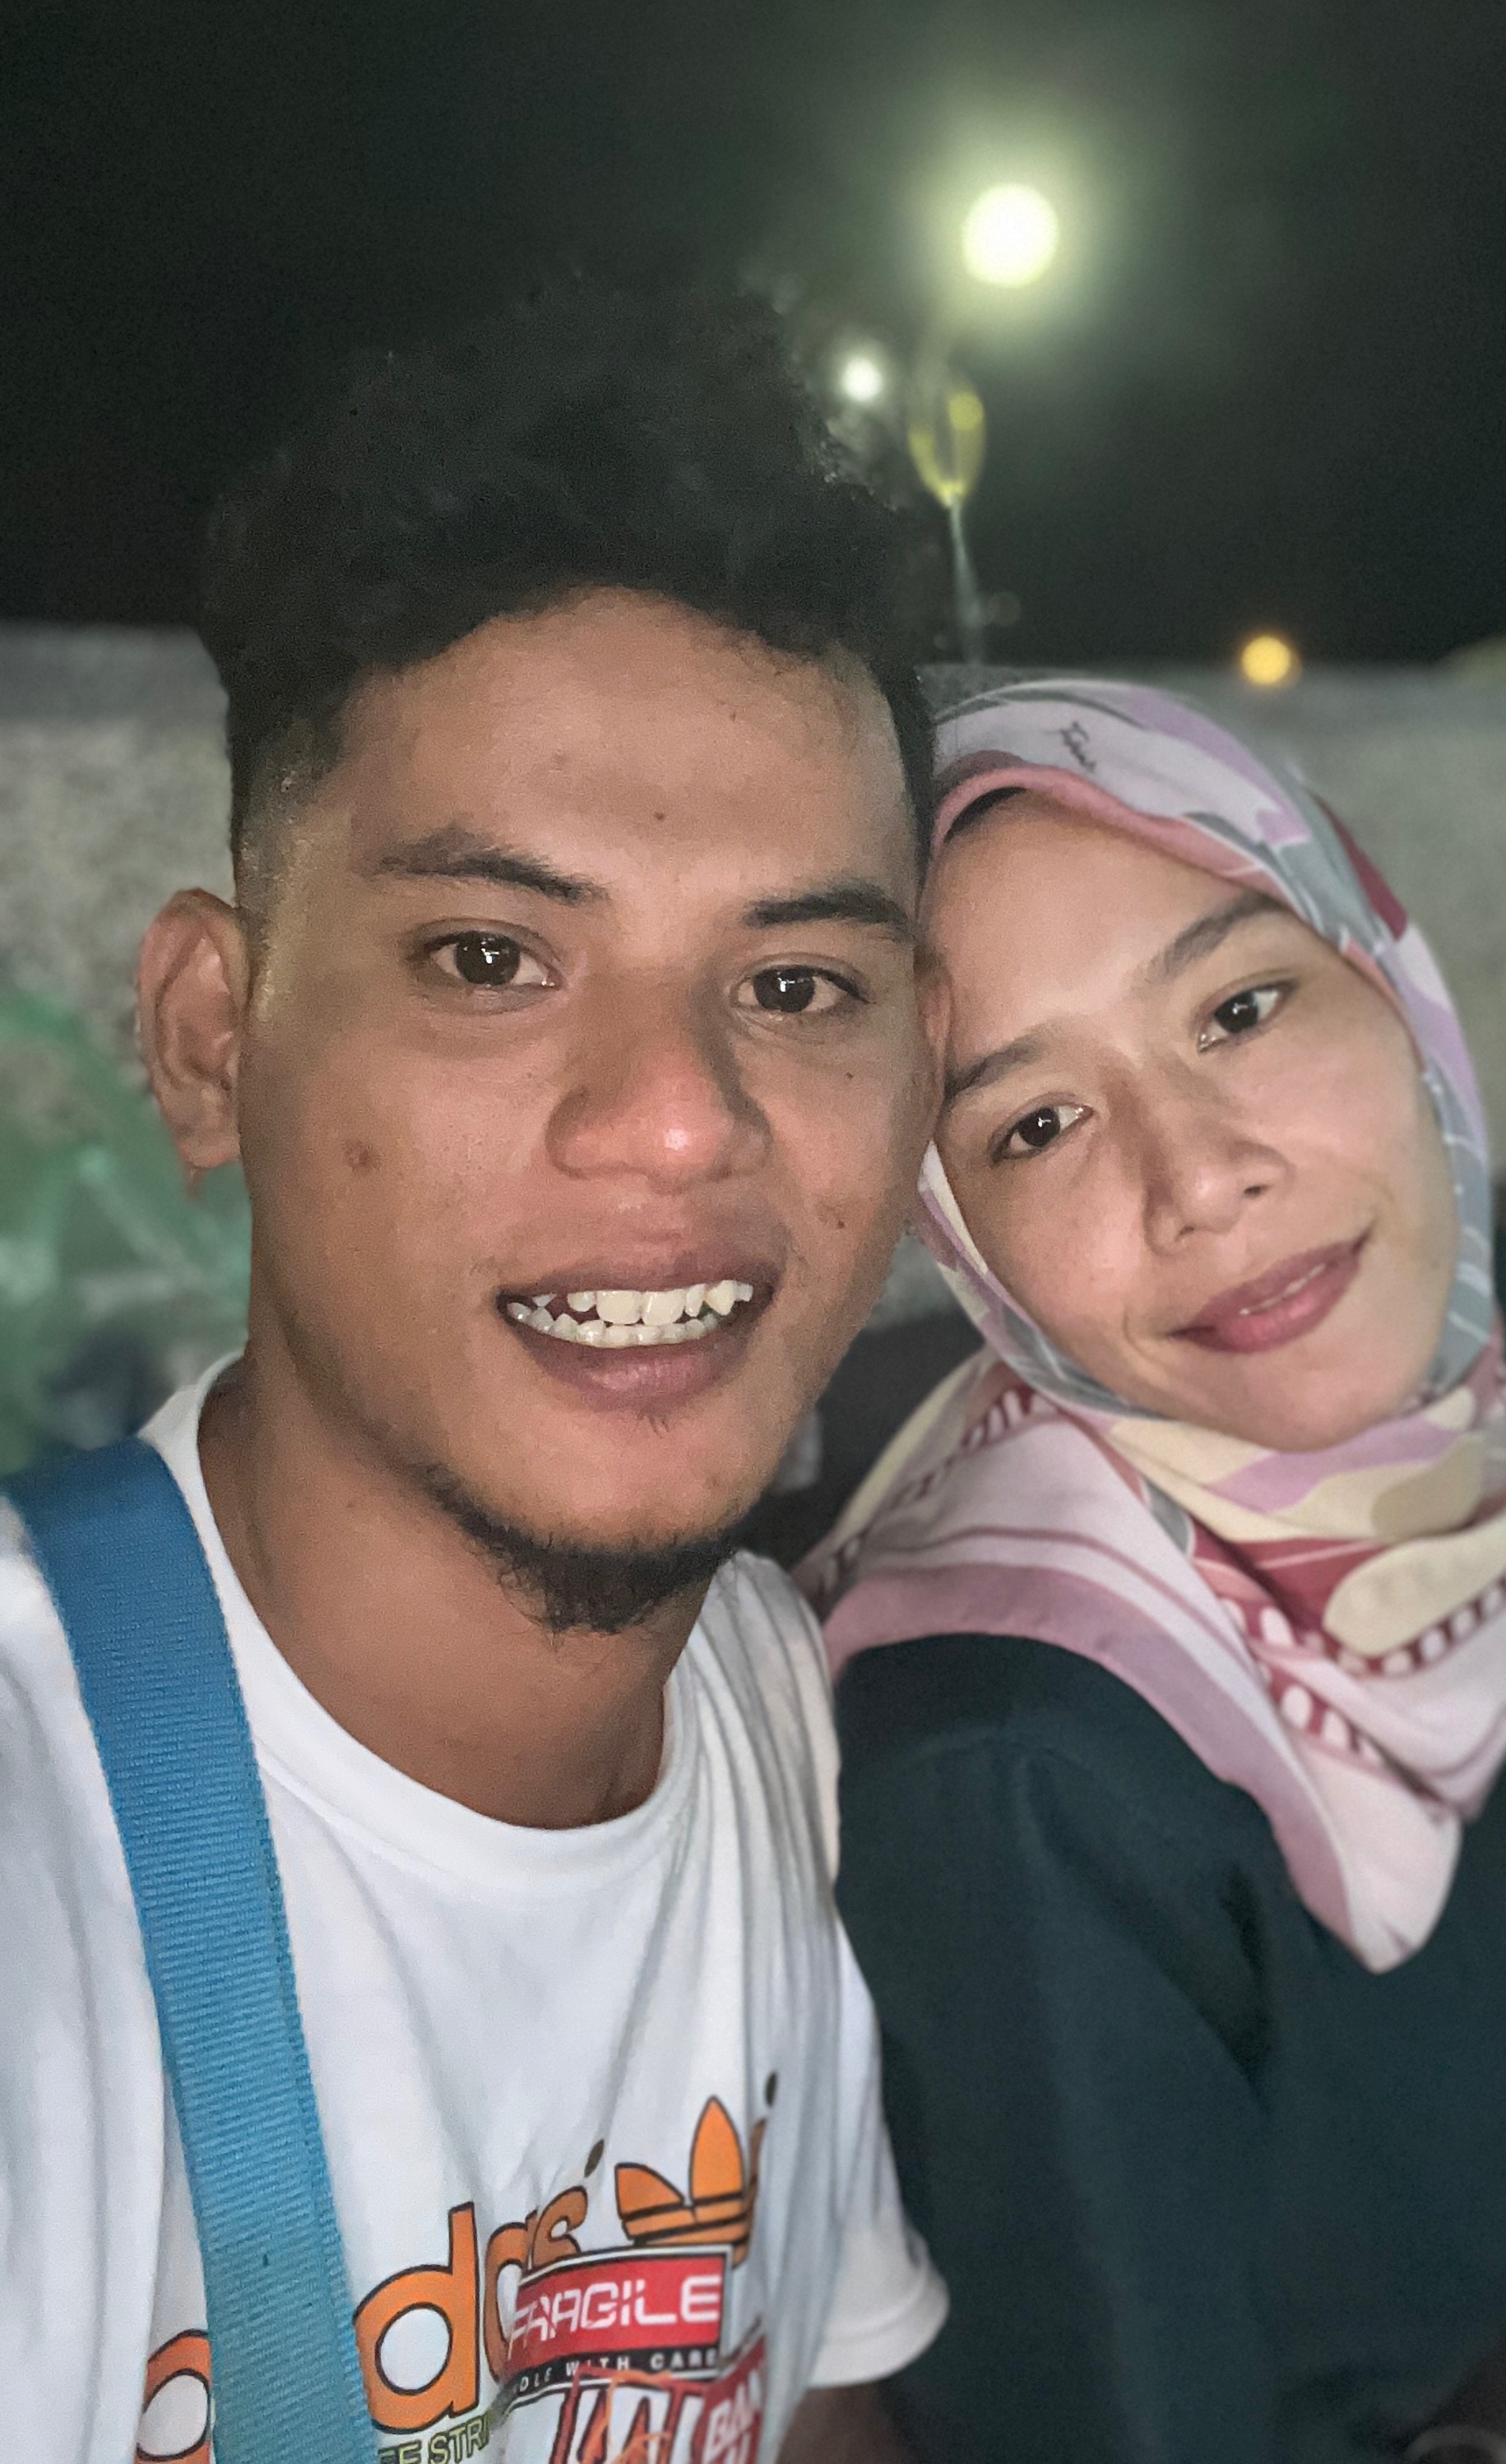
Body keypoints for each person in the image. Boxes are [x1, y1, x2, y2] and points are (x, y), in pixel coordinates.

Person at [0, 288, 952, 2462]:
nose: (680, 1121)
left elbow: (808, 2394)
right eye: (491, 958)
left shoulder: (761, 1706)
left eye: (796, 982)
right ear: (212, 1038)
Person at [805, 679, 1506, 2462]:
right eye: (1034, 1124)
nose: (1200, 1176)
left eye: (1240, 1008)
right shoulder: (1014, 1765)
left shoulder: (1488, 1380)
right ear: (962, 1241)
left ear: (1384, 975)